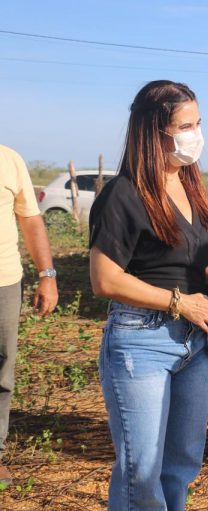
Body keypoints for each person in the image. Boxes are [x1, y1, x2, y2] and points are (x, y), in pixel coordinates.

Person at [89, 80, 208, 510]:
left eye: (198, 123)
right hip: (141, 341)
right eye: (185, 126)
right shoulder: (123, 193)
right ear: (154, 131)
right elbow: (105, 280)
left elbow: (197, 262)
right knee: (142, 471)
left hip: (194, 342)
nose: (196, 135)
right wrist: (180, 302)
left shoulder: (191, 185)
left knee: (181, 464)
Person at [0, 145, 59, 485]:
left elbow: (31, 219)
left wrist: (47, 275)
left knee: (1, 371)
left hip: (4, 281)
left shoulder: (9, 160)